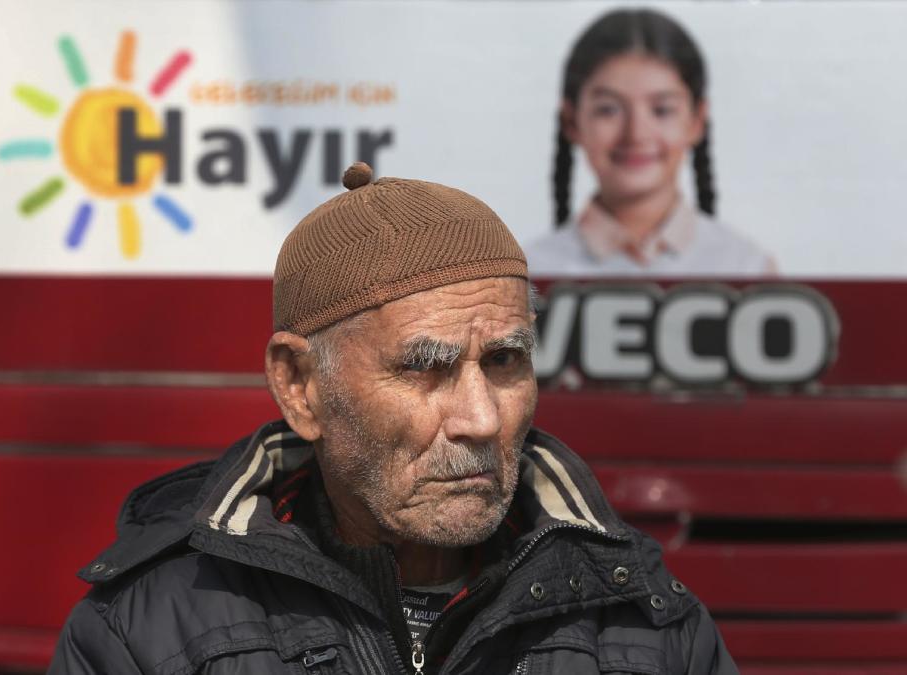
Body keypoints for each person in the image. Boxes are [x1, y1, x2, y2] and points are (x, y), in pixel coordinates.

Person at [50, 162, 737, 674]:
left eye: (504, 361)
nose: (480, 418)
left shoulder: (646, 620)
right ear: (300, 385)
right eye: (425, 368)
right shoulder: (147, 630)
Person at [525, 8, 775, 277]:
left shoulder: (746, 268)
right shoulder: (527, 274)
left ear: (697, 120)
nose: (636, 134)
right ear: (572, 121)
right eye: (608, 109)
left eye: (662, 110)